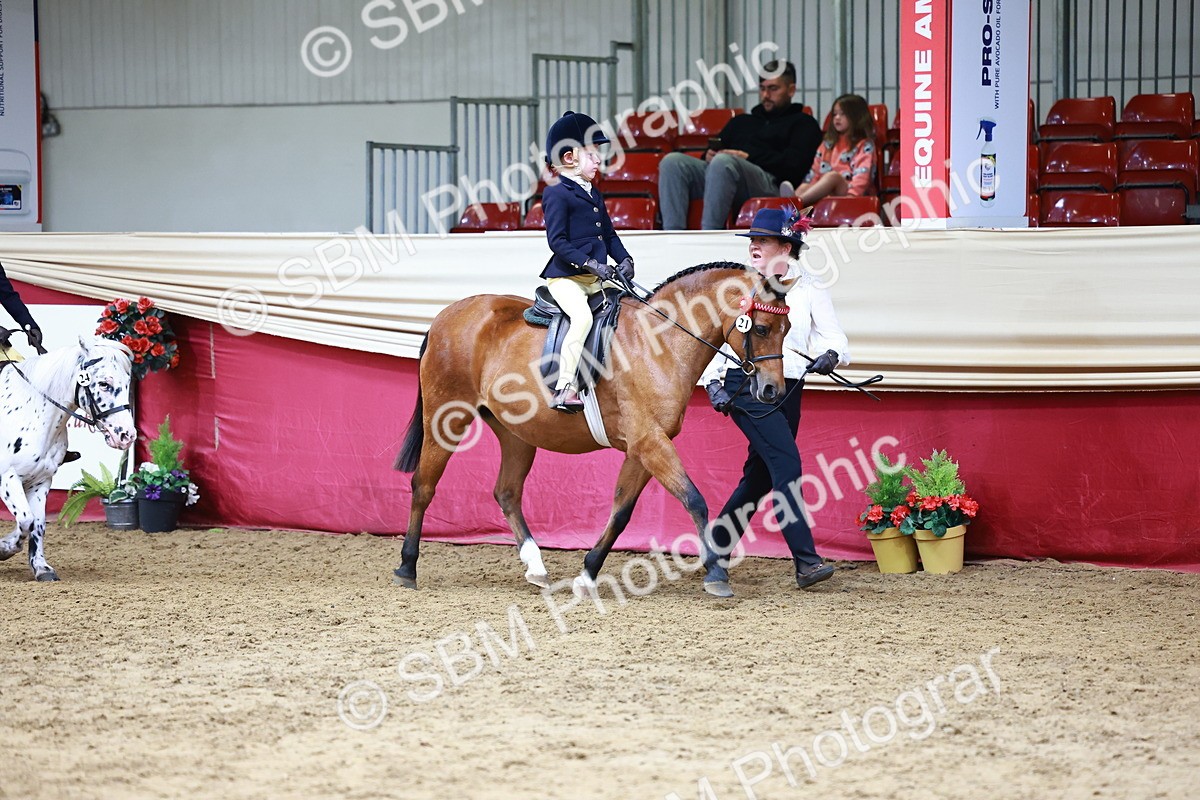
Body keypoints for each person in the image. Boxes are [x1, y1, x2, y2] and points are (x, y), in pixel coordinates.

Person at [700, 206, 849, 590]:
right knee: (786, 464)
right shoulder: (738, 288)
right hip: (747, 385)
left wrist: (831, 355)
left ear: (785, 247)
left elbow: (834, 335)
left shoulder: (811, 288)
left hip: (789, 387)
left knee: (759, 477)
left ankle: (716, 549)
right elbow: (717, 338)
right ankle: (806, 562)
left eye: (763, 241)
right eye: (753, 240)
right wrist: (712, 381)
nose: (754, 246)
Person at [539, 111, 635, 413]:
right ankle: (565, 387)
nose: (598, 161)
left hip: (595, 279)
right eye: (592, 155)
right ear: (569, 158)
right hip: (566, 279)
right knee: (582, 319)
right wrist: (591, 264)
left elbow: (609, 234)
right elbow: (557, 242)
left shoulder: (593, 192)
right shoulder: (556, 193)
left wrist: (625, 259)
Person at [658, 61, 822, 230]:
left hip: (770, 182)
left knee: (723, 162)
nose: (766, 95)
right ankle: (672, 234)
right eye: (762, 88)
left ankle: (710, 233)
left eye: (773, 89)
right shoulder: (741, 121)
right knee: (672, 162)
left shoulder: (804, 124)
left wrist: (748, 157)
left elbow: (795, 165)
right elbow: (716, 150)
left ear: (791, 90)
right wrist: (708, 155)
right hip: (723, 175)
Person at [780, 93, 877, 206]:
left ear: (856, 117)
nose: (837, 118)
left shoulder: (864, 145)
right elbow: (815, 172)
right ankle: (787, 206)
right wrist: (810, 187)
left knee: (832, 177)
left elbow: (863, 176)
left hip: (852, 194)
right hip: (827, 192)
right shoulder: (827, 144)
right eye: (835, 114)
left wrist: (852, 195)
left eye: (843, 114)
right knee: (805, 186)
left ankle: (796, 203)